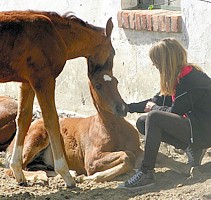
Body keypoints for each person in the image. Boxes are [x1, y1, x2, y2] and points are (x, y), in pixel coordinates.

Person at [119, 38, 211, 190]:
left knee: (154, 118)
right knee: (143, 122)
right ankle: (194, 148)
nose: (154, 65)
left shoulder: (190, 80)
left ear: (165, 62)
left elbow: (174, 111)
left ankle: (146, 172)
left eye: (156, 62)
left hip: (205, 130)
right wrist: (127, 107)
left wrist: (154, 108)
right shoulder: (178, 76)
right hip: (197, 126)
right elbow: (157, 101)